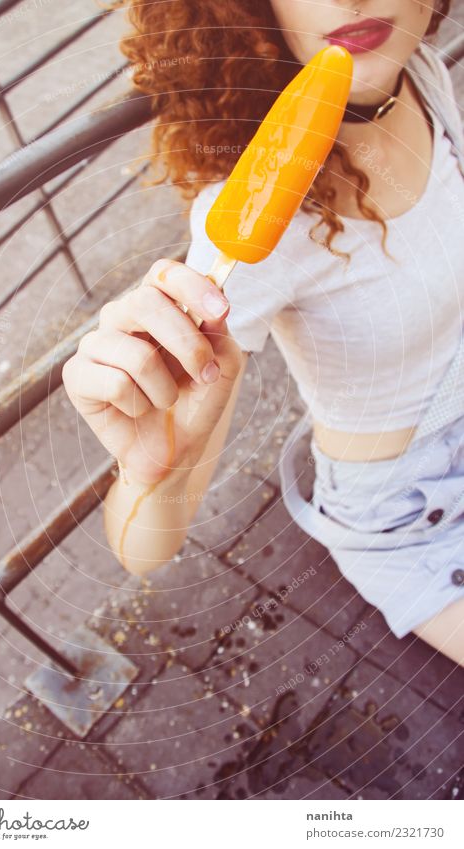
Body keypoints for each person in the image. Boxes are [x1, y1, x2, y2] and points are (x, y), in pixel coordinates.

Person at [62, 1, 464, 666]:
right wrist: (151, 466)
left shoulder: (416, 72)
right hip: (409, 508)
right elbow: (145, 548)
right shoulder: (252, 235)